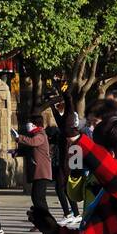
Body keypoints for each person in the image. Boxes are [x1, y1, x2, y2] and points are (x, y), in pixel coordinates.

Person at [51, 96, 82, 226]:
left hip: (67, 162)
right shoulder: (66, 129)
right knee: (65, 189)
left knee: (61, 188)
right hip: (67, 162)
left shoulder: (69, 130)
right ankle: (75, 213)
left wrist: (67, 94)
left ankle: (69, 214)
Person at [14, 115, 53, 213]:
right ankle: (44, 221)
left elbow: (33, 142)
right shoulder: (35, 134)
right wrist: (16, 152)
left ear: (36, 124)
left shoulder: (40, 135)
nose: (28, 125)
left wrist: (19, 137)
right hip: (38, 172)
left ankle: (46, 221)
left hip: (42, 172)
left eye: (30, 123)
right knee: (37, 197)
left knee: (38, 197)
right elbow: (30, 149)